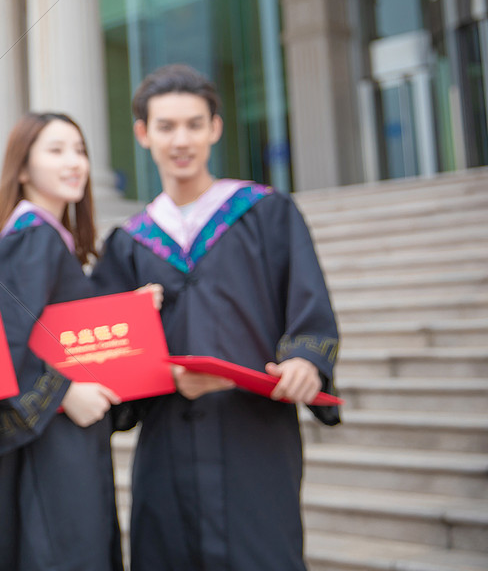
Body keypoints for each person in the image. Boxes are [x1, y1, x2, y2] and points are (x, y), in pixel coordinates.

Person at [90, 64, 341, 571]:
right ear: (143, 133)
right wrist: (154, 363)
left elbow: (309, 306)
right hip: (167, 445)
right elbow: (108, 355)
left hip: (254, 437)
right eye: (165, 126)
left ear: (215, 128)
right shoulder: (130, 242)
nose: (181, 140)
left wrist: (305, 362)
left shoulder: (265, 212)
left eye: (194, 124)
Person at [0, 112, 125, 571]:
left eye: (80, 150)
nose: (74, 162)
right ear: (22, 169)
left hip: (55, 437)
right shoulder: (33, 237)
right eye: (56, 151)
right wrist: (65, 392)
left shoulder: (49, 238)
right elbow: (2, 339)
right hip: (48, 444)